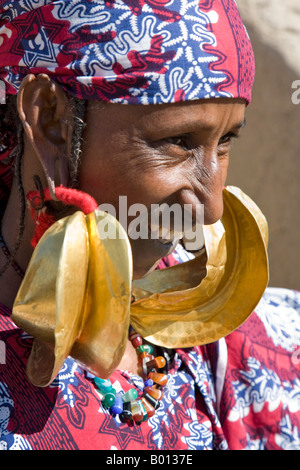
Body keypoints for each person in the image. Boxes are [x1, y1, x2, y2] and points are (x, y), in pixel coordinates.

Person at [0, 0, 299, 451]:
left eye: (226, 142)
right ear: (51, 122)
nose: (212, 207)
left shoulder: (215, 331)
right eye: (178, 142)